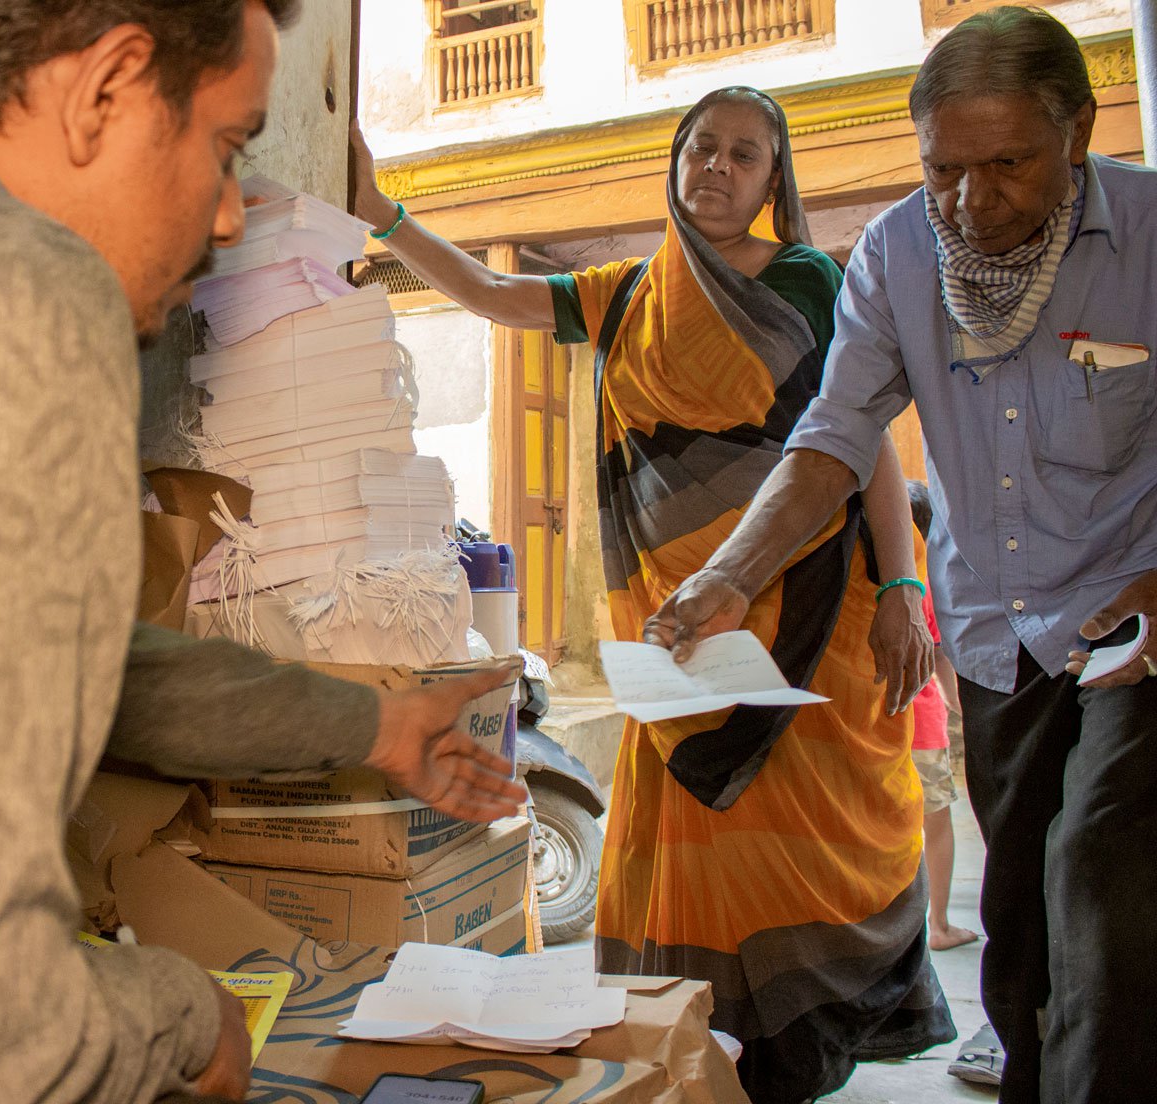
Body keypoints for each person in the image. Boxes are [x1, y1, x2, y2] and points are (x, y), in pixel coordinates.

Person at [0, 3, 525, 1102]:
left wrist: (375, 723)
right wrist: (172, 1019)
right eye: (224, 147)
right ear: (108, 85)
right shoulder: (14, 285)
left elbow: (62, 659)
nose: (224, 217)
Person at [353, 86, 954, 1104]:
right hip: (676, 641)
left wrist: (900, 581)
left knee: (815, 843)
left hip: (807, 623)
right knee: (687, 850)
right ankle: (697, 1045)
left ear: (774, 181)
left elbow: (859, 451)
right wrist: (381, 210)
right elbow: (493, 297)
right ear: (674, 163)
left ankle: (798, 1046)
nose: (717, 167)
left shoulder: (811, 283)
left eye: (745, 155)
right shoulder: (624, 292)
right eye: (702, 148)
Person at [654, 10, 1157, 1103]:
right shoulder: (893, 253)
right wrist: (729, 575)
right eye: (943, 171)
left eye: (1005, 165)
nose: (970, 202)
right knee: (1017, 930)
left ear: (1074, 128)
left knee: (1103, 891)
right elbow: (832, 440)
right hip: (994, 637)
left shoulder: (1152, 236)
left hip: (1133, 619)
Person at [905, 482, 976, 952]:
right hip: (923, 725)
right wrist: (957, 704)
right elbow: (942, 653)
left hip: (873, 727)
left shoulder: (866, 586)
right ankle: (941, 925)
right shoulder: (928, 585)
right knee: (937, 823)